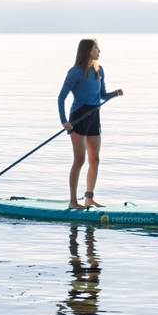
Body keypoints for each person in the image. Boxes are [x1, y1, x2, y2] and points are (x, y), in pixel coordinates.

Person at [57, 39, 123, 209]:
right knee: (79, 160)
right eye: (96, 48)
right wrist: (64, 121)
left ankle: (89, 198)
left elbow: (102, 95)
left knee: (95, 159)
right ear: (87, 51)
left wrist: (115, 94)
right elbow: (61, 97)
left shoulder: (99, 70)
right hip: (78, 116)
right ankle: (73, 202)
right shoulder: (75, 72)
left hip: (94, 115)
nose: (99, 50)